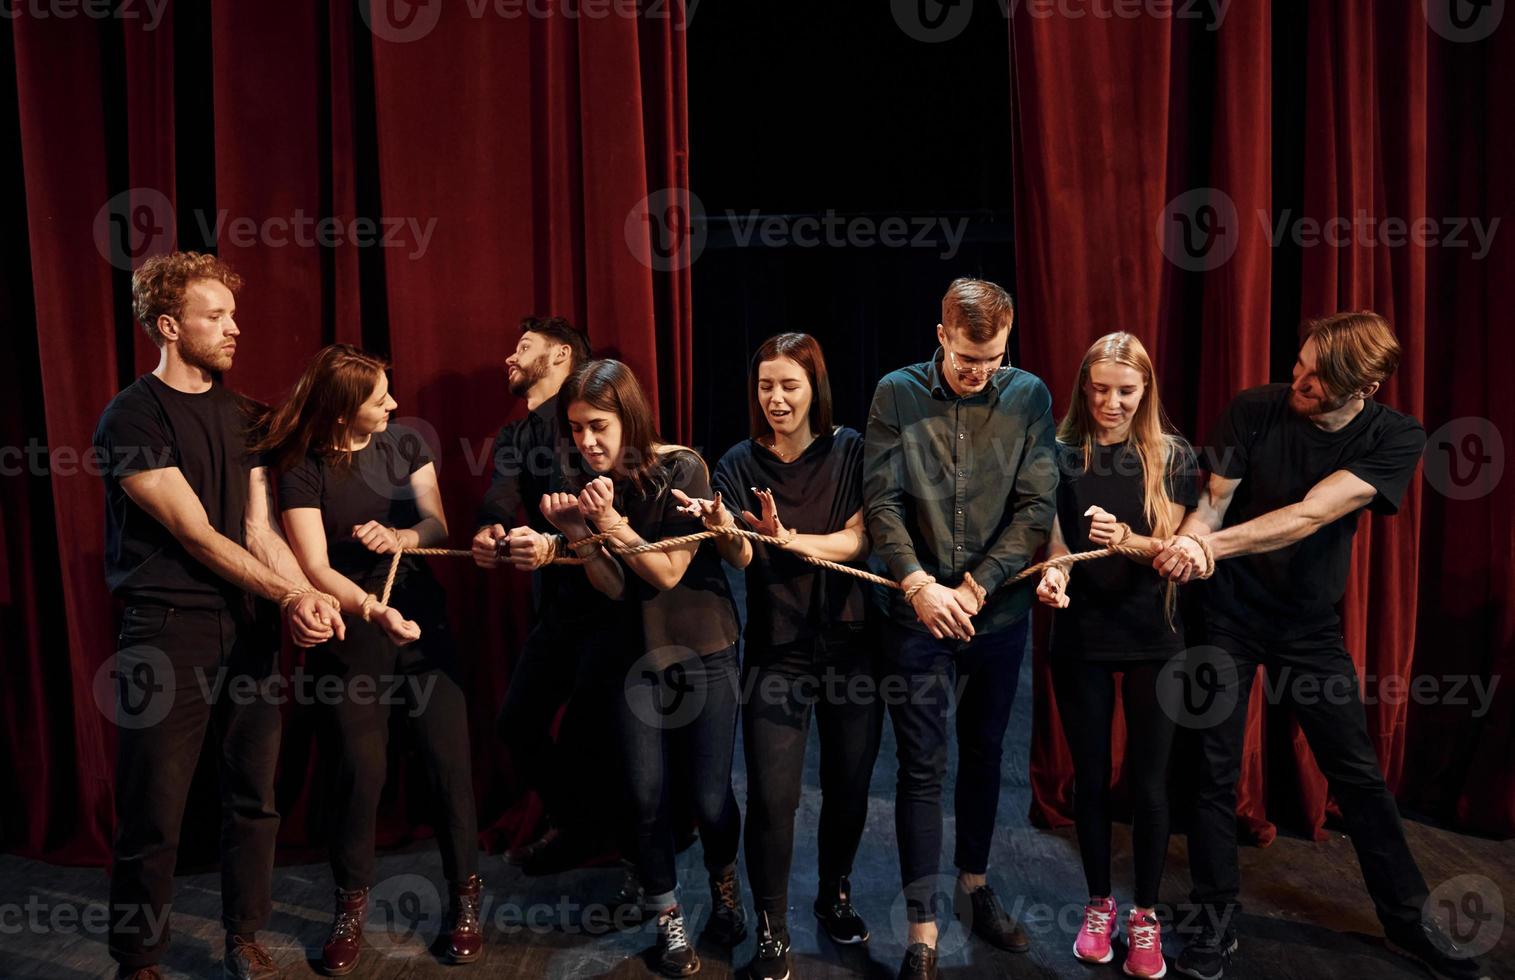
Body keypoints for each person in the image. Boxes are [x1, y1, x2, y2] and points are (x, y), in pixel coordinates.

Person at [1151, 312, 1487, 980]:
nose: (1296, 380)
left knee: (1356, 774)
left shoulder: (1393, 436)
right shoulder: (1255, 407)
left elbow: (1308, 515)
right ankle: (1214, 919)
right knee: (1214, 769)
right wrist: (1191, 539)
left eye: (1314, 377)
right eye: (1299, 364)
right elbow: (1212, 505)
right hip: (1226, 614)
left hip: (1307, 625)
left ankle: (1407, 921)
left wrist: (1205, 547)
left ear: (1360, 386)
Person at [93, 251, 342, 980]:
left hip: (251, 627)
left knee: (253, 796)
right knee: (155, 805)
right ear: (169, 326)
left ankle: (244, 935)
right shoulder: (132, 415)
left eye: (231, 314)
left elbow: (259, 531)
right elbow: (198, 533)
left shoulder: (250, 418)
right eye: (216, 316)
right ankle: (138, 958)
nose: (235, 327)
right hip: (168, 626)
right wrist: (294, 594)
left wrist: (308, 595)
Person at [511, 359, 745, 977]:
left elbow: (666, 573)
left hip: (702, 651)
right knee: (642, 796)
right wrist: (576, 533)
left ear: (628, 417)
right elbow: (615, 587)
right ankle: (667, 918)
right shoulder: (584, 481)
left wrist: (606, 522)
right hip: (633, 656)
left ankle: (725, 890)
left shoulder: (682, 466)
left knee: (709, 797)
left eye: (598, 426)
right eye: (577, 428)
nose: (586, 441)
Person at [261, 344, 482, 975]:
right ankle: (350, 906)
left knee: (449, 765)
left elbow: (438, 524)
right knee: (360, 771)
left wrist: (404, 537)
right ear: (340, 409)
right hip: (353, 627)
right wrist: (370, 609)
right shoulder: (303, 466)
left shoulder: (406, 443)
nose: (392, 403)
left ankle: (466, 901)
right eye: (378, 395)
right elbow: (314, 566)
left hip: (421, 620)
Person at [863, 277, 1058, 980]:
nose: (981, 372)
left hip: (995, 613)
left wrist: (974, 586)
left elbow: (1036, 507)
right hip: (913, 616)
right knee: (920, 769)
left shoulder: (1028, 396)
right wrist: (919, 584)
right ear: (942, 334)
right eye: (970, 356)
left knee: (983, 756)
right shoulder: (895, 392)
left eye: (994, 359)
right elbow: (880, 502)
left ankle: (973, 887)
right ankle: (922, 930)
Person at [679, 333, 884, 980]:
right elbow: (740, 558)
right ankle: (770, 926)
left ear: (813, 388)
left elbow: (858, 540)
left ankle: (834, 895)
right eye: (765, 385)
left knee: (850, 787)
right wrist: (729, 532)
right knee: (773, 798)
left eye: (788, 385)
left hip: (851, 646)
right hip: (777, 653)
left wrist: (788, 538)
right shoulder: (739, 461)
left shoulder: (850, 449)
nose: (775, 398)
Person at [1035, 332, 1198, 979]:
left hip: (1154, 638)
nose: (1110, 401)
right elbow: (1052, 542)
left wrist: (1127, 539)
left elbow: (1176, 554)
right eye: (1098, 389)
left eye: (1124, 391)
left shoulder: (1172, 454)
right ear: (1083, 387)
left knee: (1151, 784)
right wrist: (1052, 575)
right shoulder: (1058, 451)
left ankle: (1146, 914)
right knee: (1092, 779)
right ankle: (1099, 904)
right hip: (1081, 640)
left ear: (1144, 391)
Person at [468, 316, 623, 876]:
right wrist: (488, 530)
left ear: (560, 355)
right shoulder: (514, 435)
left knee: (601, 733)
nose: (510, 358)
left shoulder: (593, 424)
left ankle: (628, 852)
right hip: (559, 611)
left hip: (615, 607)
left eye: (523, 346)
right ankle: (582, 825)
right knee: (517, 723)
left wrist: (559, 542)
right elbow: (500, 494)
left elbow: (618, 508)